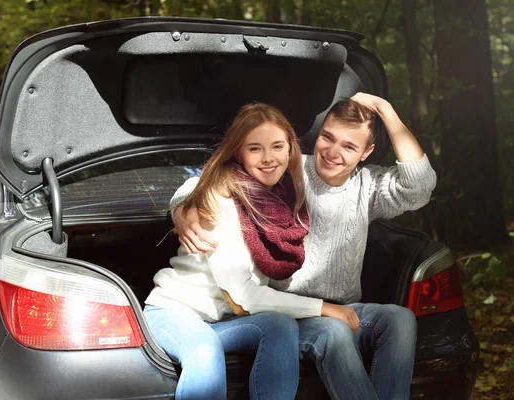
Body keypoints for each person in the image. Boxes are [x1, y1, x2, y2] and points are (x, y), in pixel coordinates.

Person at [170, 92, 437, 400]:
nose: (333, 152)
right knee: (333, 333)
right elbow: (211, 180)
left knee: (400, 319)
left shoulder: (370, 186)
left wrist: (386, 110)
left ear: (366, 152)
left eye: (349, 146)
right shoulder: (291, 168)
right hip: (288, 311)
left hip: (343, 308)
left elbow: (420, 187)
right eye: (328, 137)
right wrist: (182, 207)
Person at [144, 102, 361, 400]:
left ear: (290, 150)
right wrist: (323, 307)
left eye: (277, 146)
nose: (269, 158)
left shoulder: (284, 200)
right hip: (174, 312)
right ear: (239, 153)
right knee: (204, 351)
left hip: (220, 320)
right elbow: (241, 297)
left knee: (280, 326)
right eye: (255, 148)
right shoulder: (218, 198)